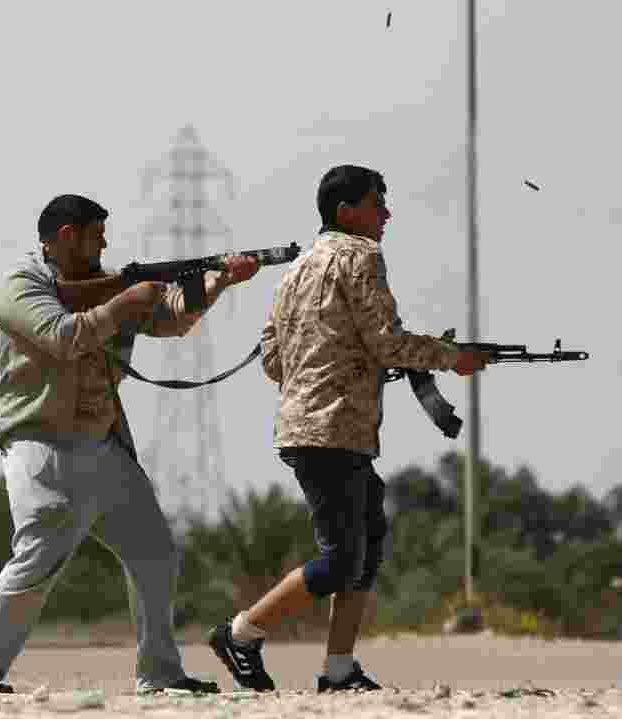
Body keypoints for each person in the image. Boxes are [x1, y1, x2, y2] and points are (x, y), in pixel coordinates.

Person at [0, 194, 260, 695]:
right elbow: (62, 336)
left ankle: (159, 673)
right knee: (38, 553)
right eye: (97, 233)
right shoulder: (22, 286)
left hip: (103, 441)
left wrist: (219, 279)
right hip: (42, 441)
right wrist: (124, 302)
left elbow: (173, 319)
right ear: (68, 235)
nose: (105, 244)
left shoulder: (111, 284)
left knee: (154, 553)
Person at [207, 165, 489, 692]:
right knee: (341, 560)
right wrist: (452, 357)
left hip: (313, 428)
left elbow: (274, 360)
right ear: (346, 212)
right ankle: (241, 633)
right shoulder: (362, 256)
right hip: (333, 430)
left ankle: (338, 670)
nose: (386, 214)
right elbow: (386, 341)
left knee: (368, 545)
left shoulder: (294, 270)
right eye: (377, 203)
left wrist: (344, 360)